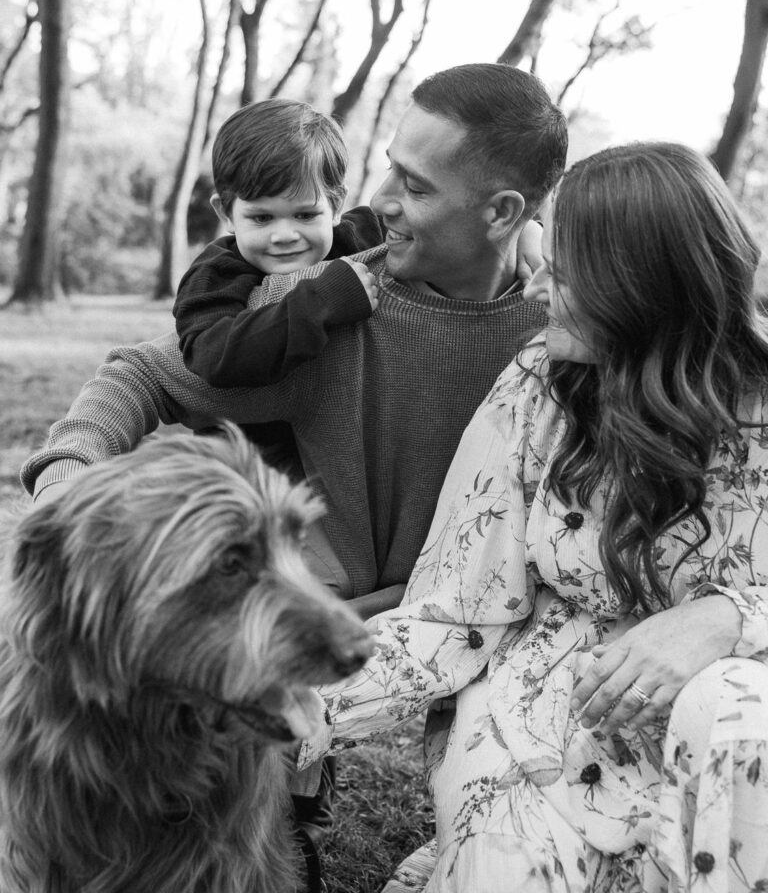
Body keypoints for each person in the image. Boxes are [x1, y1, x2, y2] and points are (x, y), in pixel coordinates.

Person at [298, 142, 768, 893]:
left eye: (568, 272)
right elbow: (457, 610)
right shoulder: (537, 389)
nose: (539, 283)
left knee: (741, 705)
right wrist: (295, 694)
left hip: (728, 740)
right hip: (543, 713)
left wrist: (728, 619)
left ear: (645, 286)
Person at [21, 63, 567, 615]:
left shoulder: (573, 326)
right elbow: (142, 376)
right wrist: (66, 481)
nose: (378, 200)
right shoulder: (327, 303)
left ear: (503, 213)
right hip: (338, 622)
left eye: (416, 186)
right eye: (389, 170)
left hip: (514, 627)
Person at [173, 98, 382, 392]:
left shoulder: (363, 237)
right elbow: (212, 355)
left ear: (335, 206)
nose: (284, 235)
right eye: (261, 218)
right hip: (247, 436)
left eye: (305, 215)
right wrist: (321, 302)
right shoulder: (215, 273)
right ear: (226, 213)